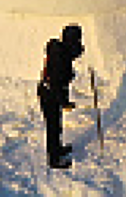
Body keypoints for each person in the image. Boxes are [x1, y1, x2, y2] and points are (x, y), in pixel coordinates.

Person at [38, 24, 85, 169]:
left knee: (56, 126)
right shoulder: (61, 59)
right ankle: (54, 159)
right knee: (53, 128)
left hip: (50, 91)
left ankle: (58, 149)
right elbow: (57, 85)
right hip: (49, 94)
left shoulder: (60, 51)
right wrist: (65, 103)